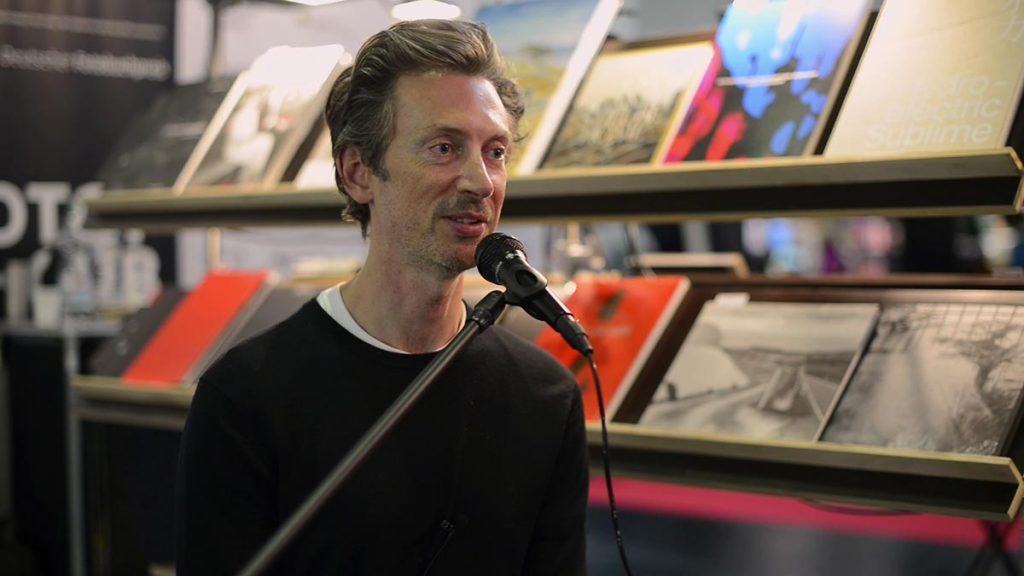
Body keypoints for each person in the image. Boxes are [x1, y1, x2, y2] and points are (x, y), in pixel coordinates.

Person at [174, 19, 589, 576]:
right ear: (358, 173)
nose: (481, 181)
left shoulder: (545, 396)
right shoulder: (247, 397)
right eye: (444, 148)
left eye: (495, 152)